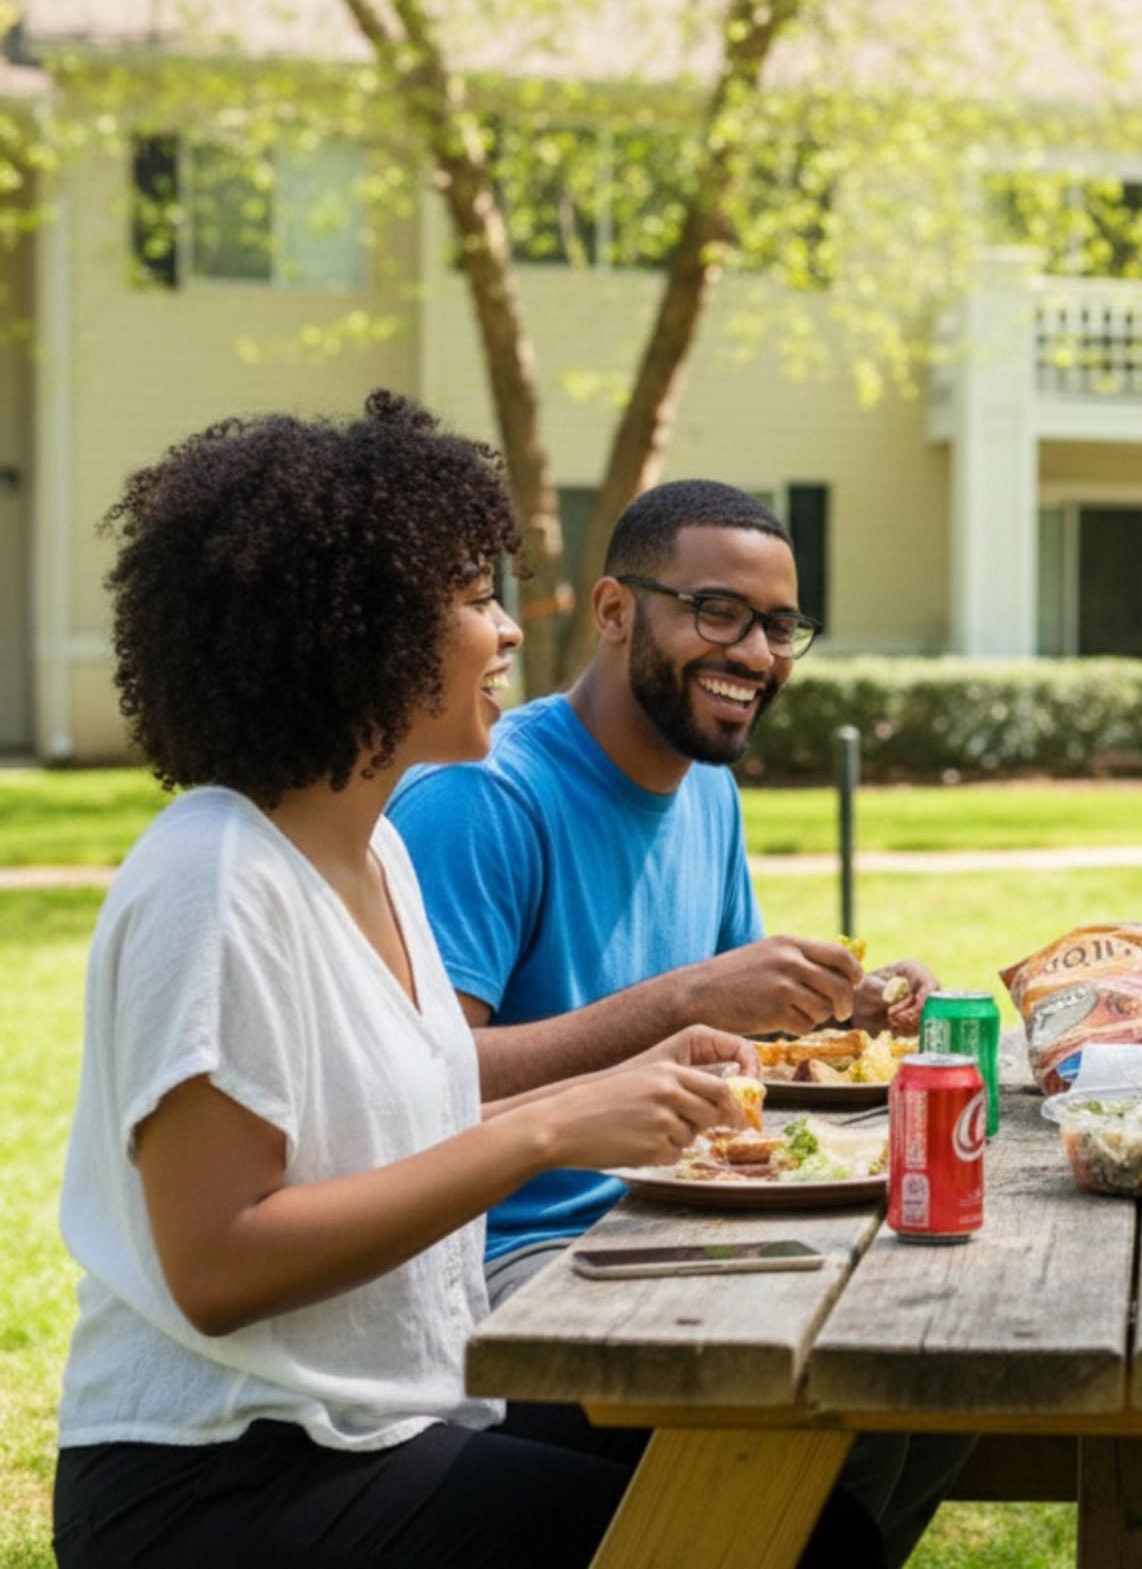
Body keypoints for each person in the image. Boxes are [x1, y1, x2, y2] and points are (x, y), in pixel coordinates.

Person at [48, 394, 814, 1566]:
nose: (509, 632)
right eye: (470, 598)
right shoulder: (214, 876)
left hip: (392, 1422)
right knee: (785, 1545)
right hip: (222, 1479)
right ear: (352, 631)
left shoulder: (377, 854)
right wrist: (553, 1124)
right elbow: (219, 1263)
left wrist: (630, 1087)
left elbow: (393, 1131)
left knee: (798, 1499)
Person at [387, 477, 961, 1564]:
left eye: (780, 624)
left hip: (686, 1215)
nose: (755, 650)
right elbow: (419, 1074)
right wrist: (685, 998)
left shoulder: (707, 790)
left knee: (935, 1371)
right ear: (613, 611)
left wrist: (839, 1009)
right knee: (848, 1388)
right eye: (716, 611)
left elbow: (725, 1041)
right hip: (516, 1255)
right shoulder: (482, 796)